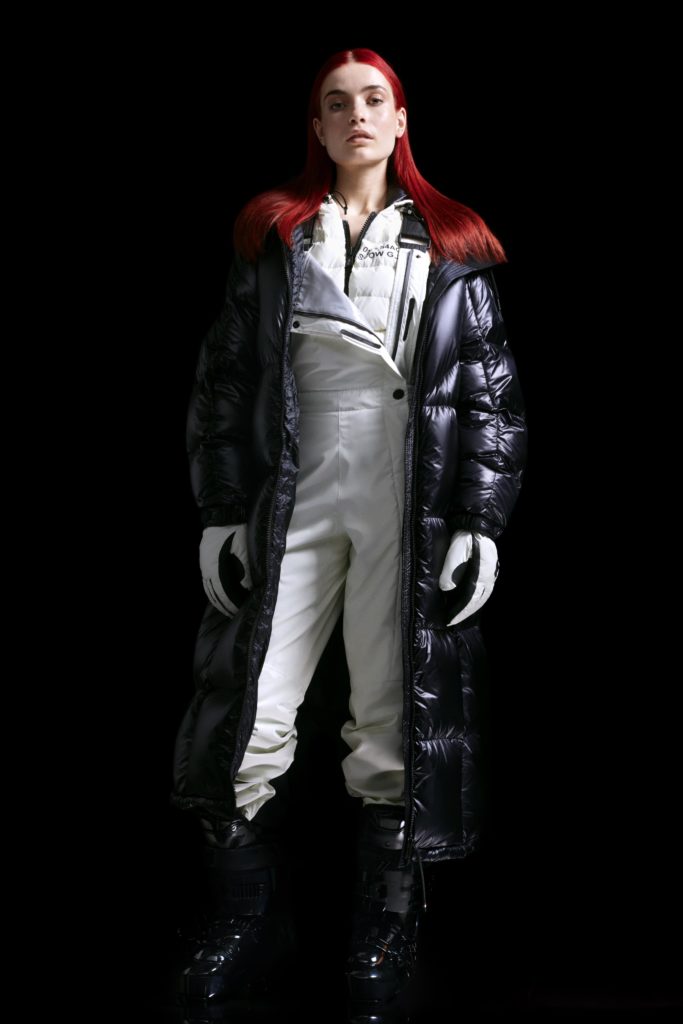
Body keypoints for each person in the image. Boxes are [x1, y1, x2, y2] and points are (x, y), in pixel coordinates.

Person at [170, 47, 528, 1009]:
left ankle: (385, 931)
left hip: (403, 491)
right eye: (337, 103)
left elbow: (490, 398)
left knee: (391, 714)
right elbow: (226, 383)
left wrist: (478, 520)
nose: (357, 116)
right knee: (249, 706)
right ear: (318, 128)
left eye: (374, 100)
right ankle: (245, 918)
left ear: (400, 120)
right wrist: (220, 510)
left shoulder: (451, 243)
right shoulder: (277, 238)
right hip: (294, 485)